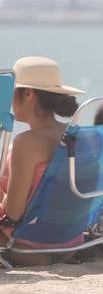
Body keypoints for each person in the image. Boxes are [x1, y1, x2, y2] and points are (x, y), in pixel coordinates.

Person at [0, 57, 84, 259]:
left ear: (28, 94)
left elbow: (13, 214)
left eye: (12, 91)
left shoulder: (27, 143)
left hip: (31, 245)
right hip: (71, 240)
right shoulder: (75, 135)